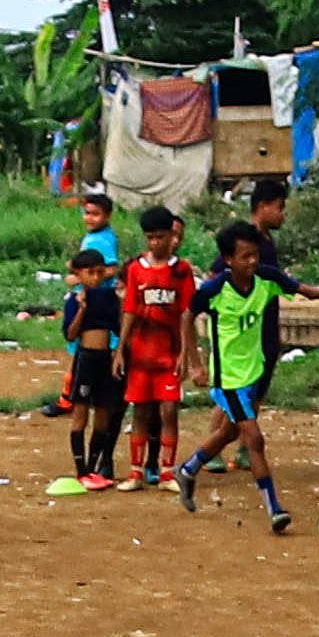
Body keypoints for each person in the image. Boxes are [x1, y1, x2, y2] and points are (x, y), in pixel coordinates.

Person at [176, 218, 287, 529]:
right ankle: (274, 509)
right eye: (245, 256)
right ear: (229, 259)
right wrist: (195, 362)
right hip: (228, 380)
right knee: (254, 438)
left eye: (255, 255)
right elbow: (188, 315)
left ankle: (187, 470)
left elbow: (299, 288)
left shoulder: (262, 281)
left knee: (228, 432)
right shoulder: (215, 290)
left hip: (250, 371)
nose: (253, 261)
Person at [113, 204, 196, 490]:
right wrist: (120, 348)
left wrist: (186, 353)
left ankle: (167, 472)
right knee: (140, 412)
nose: (155, 243)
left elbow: (187, 313)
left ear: (171, 236)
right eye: (150, 237)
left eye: (160, 237)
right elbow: (131, 310)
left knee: (169, 411)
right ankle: (136, 471)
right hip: (141, 354)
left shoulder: (182, 271)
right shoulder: (136, 269)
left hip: (168, 354)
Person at [49, 236, 122, 495]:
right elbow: (70, 334)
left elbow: (119, 327)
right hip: (86, 358)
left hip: (105, 358)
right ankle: (80, 470)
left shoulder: (111, 298)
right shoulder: (75, 300)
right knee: (80, 413)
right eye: (89, 273)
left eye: (98, 272)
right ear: (78, 275)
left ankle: (93, 467)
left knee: (103, 415)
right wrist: (81, 309)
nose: (94, 277)